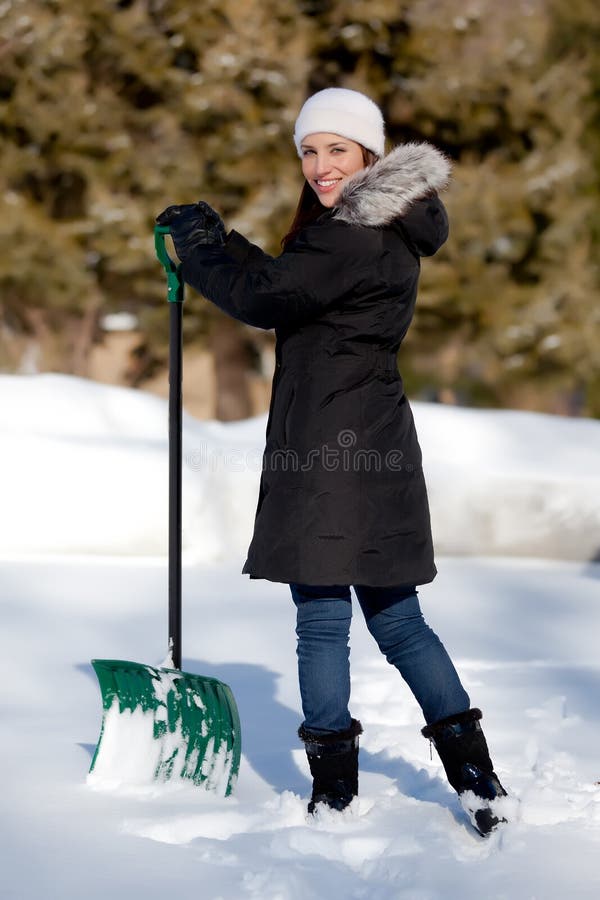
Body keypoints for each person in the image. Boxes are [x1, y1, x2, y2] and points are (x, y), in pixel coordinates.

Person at [156, 87, 508, 836]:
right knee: (400, 621)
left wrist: (201, 246)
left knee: (321, 621)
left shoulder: (350, 236)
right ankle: (479, 782)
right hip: (378, 444)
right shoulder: (386, 227)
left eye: (337, 149)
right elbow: (291, 289)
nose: (321, 165)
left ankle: (334, 794)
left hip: (326, 450)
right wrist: (224, 242)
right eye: (309, 151)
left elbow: (264, 299)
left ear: (369, 154)